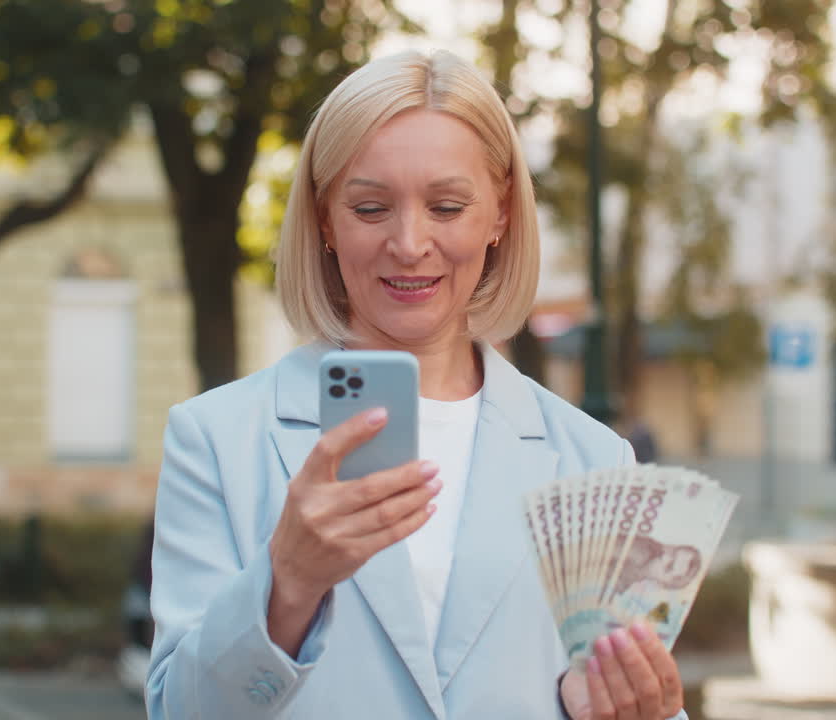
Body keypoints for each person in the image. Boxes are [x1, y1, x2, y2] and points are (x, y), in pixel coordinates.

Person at [146, 50, 688, 720]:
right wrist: (287, 585)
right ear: (323, 220)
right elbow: (181, 712)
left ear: (500, 217)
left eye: (448, 206)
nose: (409, 242)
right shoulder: (216, 440)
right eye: (371, 208)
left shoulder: (596, 461)